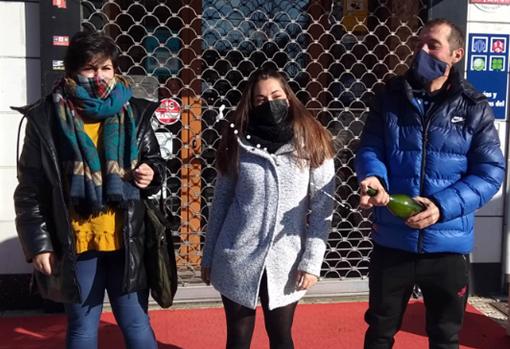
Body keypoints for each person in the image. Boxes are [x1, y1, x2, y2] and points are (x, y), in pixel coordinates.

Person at [355, 18, 505, 349]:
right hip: (392, 241)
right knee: (379, 334)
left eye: (433, 45)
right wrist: (374, 178)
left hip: (448, 248)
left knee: (445, 338)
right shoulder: (388, 97)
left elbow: (491, 171)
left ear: (456, 54)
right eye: (420, 43)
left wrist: (441, 207)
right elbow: (370, 148)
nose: (422, 50)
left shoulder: (473, 106)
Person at [14, 31, 165, 349]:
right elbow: (30, 189)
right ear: (71, 71)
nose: (99, 76)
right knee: (82, 329)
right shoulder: (46, 118)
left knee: (137, 325)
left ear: (115, 69)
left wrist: (150, 174)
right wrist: (38, 245)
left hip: (126, 239)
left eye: (106, 67)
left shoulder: (135, 112)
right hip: (77, 241)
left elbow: (155, 166)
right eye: (89, 68)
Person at [201, 67, 336, 349]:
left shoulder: (312, 138)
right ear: (251, 105)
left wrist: (312, 262)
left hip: (285, 259)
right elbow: (222, 200)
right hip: (236, 254)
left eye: (276, 95)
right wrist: (209, 256)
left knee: (281, 337)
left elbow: (323, 205)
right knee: (237, 338)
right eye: (261, 100)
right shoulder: (236, 141)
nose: (270, 103)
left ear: (288, 97)